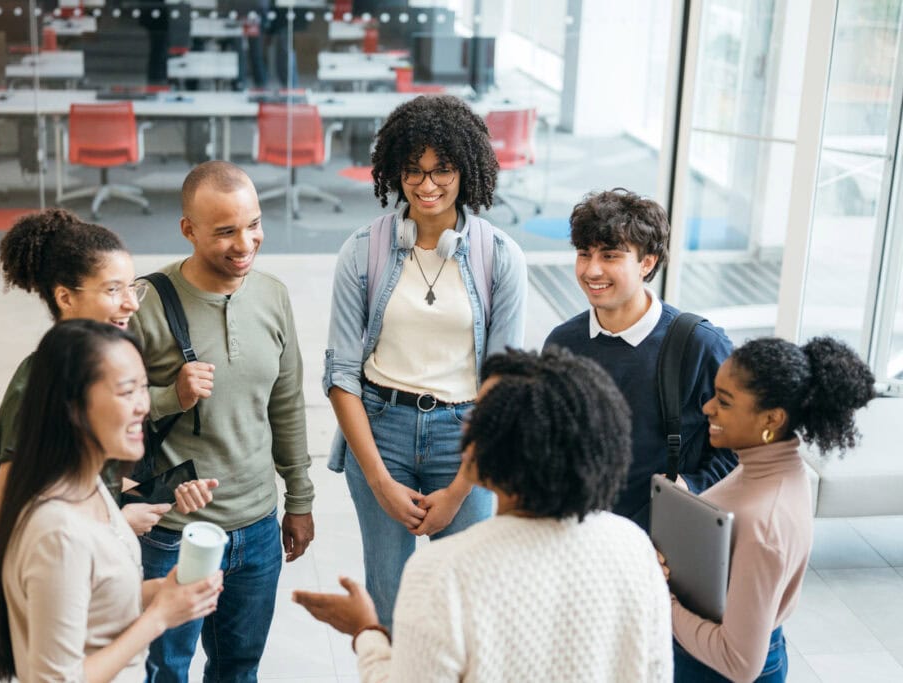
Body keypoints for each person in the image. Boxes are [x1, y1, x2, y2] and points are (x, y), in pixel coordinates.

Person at [296, 347, 673, 682]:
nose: (466, 422)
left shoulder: (445, 572)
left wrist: (367, 633)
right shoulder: (632, 547)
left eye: (481, 415)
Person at [324, 94, 528, 628]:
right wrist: (380, 482)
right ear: (395, 171)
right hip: (381, 432)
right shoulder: (362, 250)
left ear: (468, 170)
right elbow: (341, 375)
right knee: (390, 606)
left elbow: (502, 384)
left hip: (466, 435)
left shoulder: (499, 255)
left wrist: (462, 483)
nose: (427, 184)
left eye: (443, 170)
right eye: (413, 171)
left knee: (465, 608)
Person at [130, 160, 314, 683]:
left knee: (239, 669)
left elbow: (286, 404)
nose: (245, 243)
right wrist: (170, 395)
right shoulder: (145, 303)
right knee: (169, 670)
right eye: (225, 231)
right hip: (174, 531)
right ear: (188, 229)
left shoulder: (273, 295)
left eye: (253, 224)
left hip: (257, 527)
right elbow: (102, 408)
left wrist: (299, 500)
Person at [0, 319, 224, 682]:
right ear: (73, 407)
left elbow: (94, 602)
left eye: (144, 388)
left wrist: (162, 592)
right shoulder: (58, 532)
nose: (143, 406)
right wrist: (158, 617)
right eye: (127, 392)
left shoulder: (91, 485)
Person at [0, 208, 218, 560]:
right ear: (65, 297)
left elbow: (89, 479)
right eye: (113, 289)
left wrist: (162, 492)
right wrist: (119, 524)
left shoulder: (99, 367)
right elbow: (6, 527)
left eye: (132, 287)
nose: (131, 303)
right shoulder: (37, 385)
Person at [661, 336, 875, 682]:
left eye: (725, 402)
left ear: (772, 419)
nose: (708, 408)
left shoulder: (766, 524)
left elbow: (739, 663)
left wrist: (662, 600)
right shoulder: (771, 465)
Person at [543, 188, 736, 528]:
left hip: (663, 540)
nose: (592, 270)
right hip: (576, 536)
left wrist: (691, 487)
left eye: (610, 256)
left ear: (647, 262)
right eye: (584, 254)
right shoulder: (562, 344)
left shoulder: (700, 345)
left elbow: (739, 447)